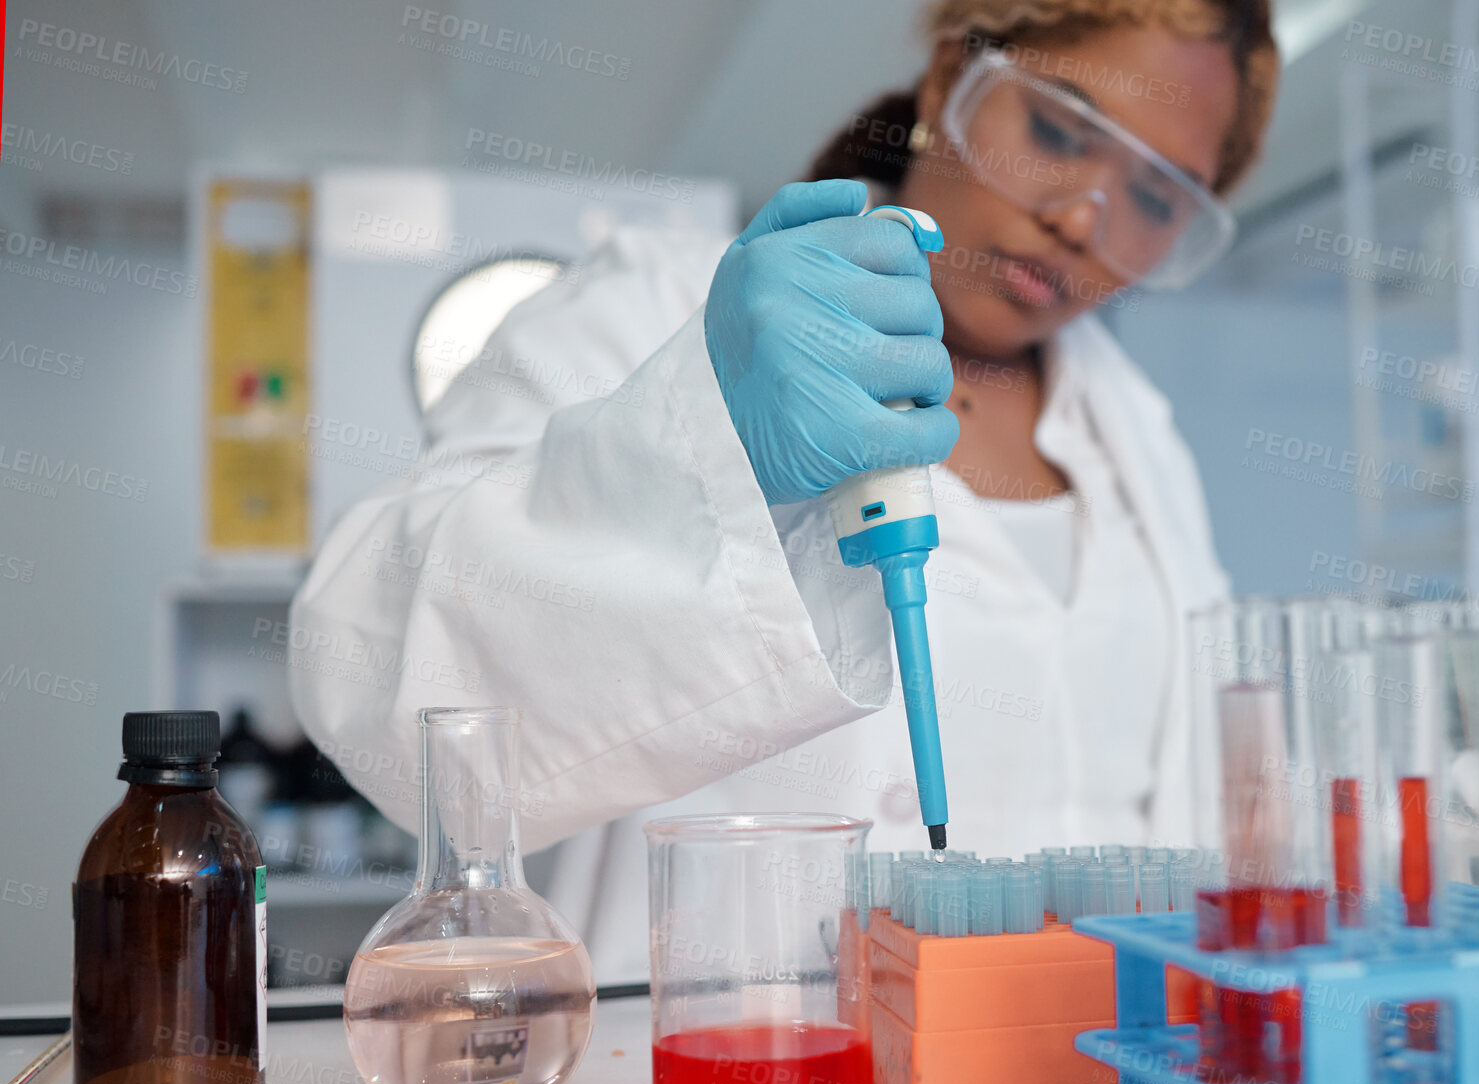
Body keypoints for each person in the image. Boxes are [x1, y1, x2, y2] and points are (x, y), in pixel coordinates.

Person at [290, 0, 1278, 982]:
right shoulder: (658, 307)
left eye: (1153, 200)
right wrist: (703, 440)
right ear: (947, 83)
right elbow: (381, 689)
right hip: (712, 1079)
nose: (1077, 219)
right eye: (1057, 131)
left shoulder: (1140, 445)